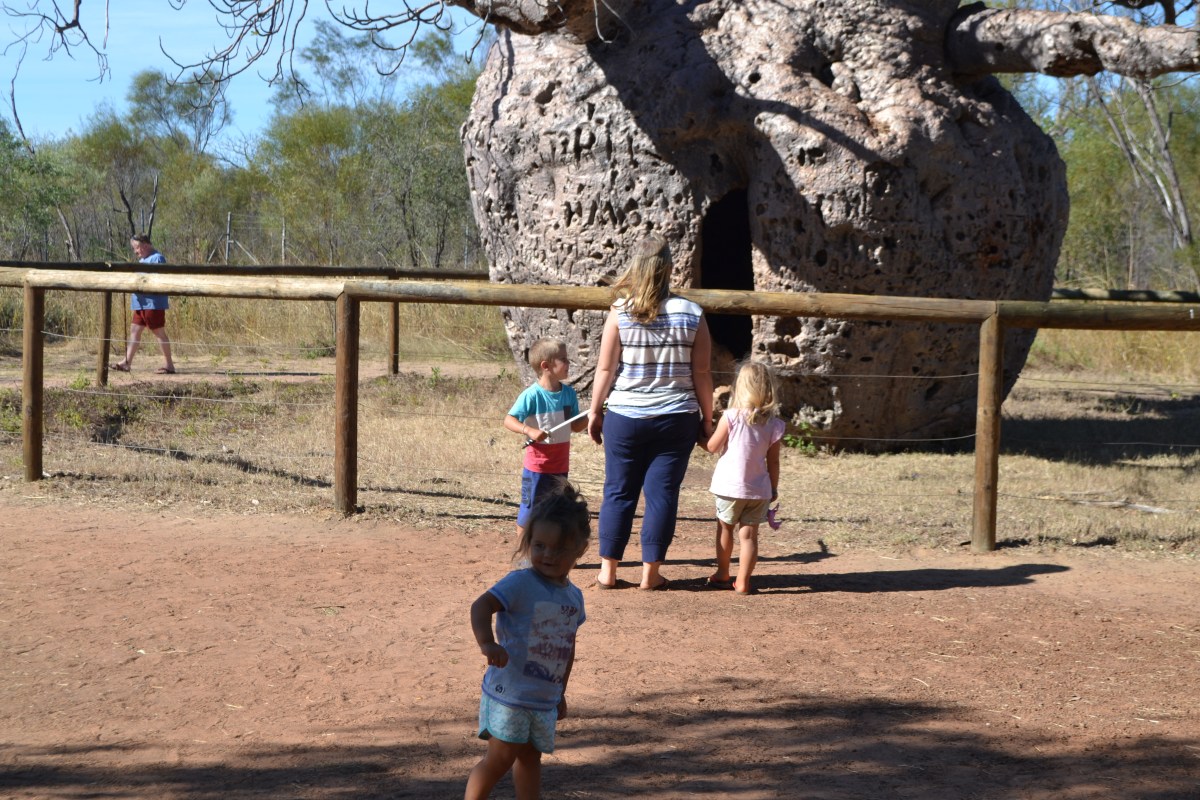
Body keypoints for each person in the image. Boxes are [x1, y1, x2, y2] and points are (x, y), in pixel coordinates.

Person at [587, 234, 713, 591]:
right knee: (662, 495)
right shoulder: (692, 313)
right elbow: (702, 372)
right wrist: (707, 418)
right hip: (676, 418)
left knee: (618, 491)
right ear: (669, 268)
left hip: (625, 417)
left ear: (636, 268)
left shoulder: (620, 311)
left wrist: (595, 411)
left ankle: (608, 571)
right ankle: (650, 574)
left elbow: (606, 369)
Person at [465, 483, 591, 800]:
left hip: (542, 698)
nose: (548, 554)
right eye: (540, 545)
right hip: (511, 695)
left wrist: (560, 692)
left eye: (560, 549)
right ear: (529, 541)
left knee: (530, 759)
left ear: (581, 549)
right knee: (499, 759)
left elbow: (566, 648)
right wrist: (487, 643)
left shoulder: (574, 598)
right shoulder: (520, 582)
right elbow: (481, 606)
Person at [703, 360, 785, 596]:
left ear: (740, 387)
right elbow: (773, 462)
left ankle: (722, 573)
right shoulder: (775, 425)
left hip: (729, 488)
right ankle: (743, 582)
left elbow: (712, 447)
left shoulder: (731, 417)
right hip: (759, 490)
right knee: (749, 536)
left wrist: (701, 435)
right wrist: (773, 488)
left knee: (725, 529)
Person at [503, 338, 589, 539]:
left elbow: (575, 426)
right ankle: (524, 553)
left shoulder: (569, 394)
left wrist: (594, 414)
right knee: (529, 511)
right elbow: (509, 420)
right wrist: (529, 430)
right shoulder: (531, 395)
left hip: (560, 467)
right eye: (563, 359)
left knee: (555, 512)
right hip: (537, 468)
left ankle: (550, 548)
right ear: (546, 366)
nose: (568, 363)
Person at [111, 233, 176, 375]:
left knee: (159, 332)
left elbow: (158, 281)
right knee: (135, 330)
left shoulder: (157, 258)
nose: (135, 251)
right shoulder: (142, 261)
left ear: (145, 245)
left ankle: (169, 365)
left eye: (137, 247)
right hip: (140, 303)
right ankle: (126, 362)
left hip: (153, 303)